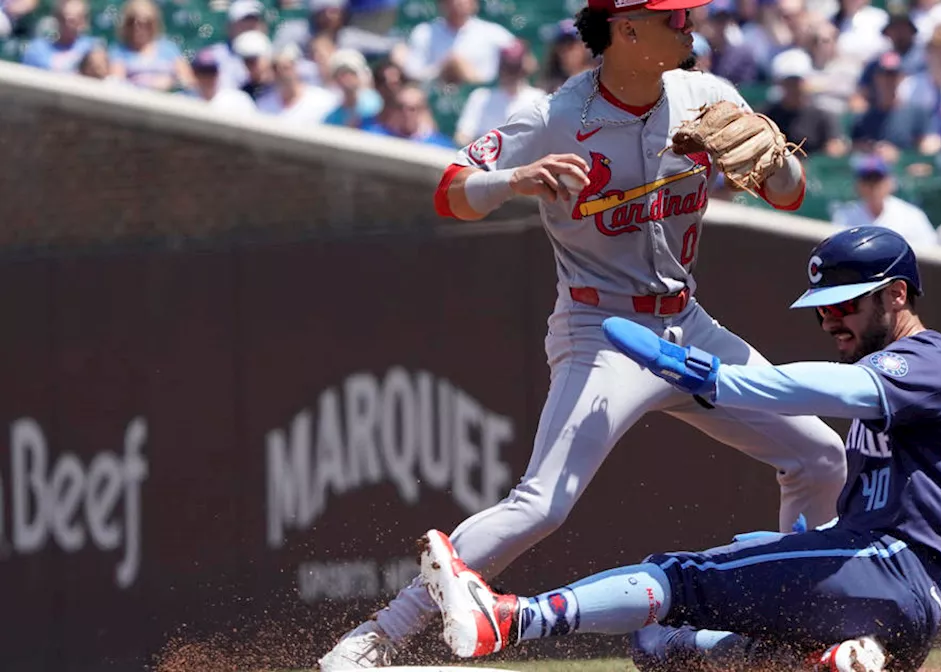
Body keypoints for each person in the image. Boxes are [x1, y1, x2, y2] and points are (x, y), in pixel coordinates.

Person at [318, 1, 847, 667]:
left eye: (686, 17)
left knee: (821, 456)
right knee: (541, 505)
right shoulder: (556, 117)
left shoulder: (705, 94)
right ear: (626, 29)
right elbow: (450, 190)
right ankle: (379, 636)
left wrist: (767, 154)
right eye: (673, 19)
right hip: (603, 332)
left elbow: (791, 194)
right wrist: (514, 180)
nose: (689, 29)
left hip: (687, 326)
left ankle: (799, 631)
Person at [418, 226, 941, 672]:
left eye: (844, 304)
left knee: (677, 578)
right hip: (885, 599)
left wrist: (713, 377)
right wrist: (797, 546)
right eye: (822, 307)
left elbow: (835, 390)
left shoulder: (936, 358)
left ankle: (512, 620)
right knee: (657, 643)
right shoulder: (898, 376)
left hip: (892, 571)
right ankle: (829, 659)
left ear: (895, 295)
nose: (828, 319)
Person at [832, 156, 939, 251]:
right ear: (858, 186)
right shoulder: (845, 215)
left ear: (890, 183)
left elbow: (930, 253)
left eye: (878, 180)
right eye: (867, 181)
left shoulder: (911, 216)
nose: (873, 187)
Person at [108, 0, 193, 92]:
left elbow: (188, 80)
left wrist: (171, 84)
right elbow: (116, 82)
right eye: (132, 22)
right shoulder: (118, 51)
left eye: (146, 23)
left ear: (154, 24)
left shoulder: (169, 49)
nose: (138, 27)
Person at [21, 0, 99, 74]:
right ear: (57, 18)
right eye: (63, 19)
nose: (68, 24)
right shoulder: (36, 49)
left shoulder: (93, 49)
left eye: (73, 21)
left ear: (83, 21)